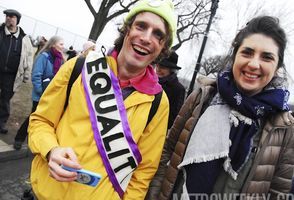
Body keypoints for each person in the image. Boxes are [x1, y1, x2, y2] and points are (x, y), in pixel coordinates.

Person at [28, 0, 177, 199]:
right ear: (127, 29)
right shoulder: (79, 67)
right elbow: (40, 121)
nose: (146, 38)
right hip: (46, 192)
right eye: (141, 26)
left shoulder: (158, 103)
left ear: (163, 47)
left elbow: (143, 173)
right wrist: (51, 150)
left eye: (158, 34)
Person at [147, 16, 294, 200]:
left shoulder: (284, 127)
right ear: (235, 56)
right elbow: (167, 153)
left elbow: (279, 191)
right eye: (247, 52)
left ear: (277, 66)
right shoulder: (202, 98)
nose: (254, 64)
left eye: (267, 57)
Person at [13, 35, 65, 150]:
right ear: (53, 44)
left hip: (51, 96)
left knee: (42, 121)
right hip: (40, 95)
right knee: (34, 117)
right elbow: (36, 75)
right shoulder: (44, 57)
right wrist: (41, 92)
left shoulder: (60, 59)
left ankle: (32, 142)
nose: (63, 46)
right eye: (61, 44)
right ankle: (19, 139)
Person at [0, 9, 34, 134]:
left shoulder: (24, 39)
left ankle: (1, 123)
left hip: (11, 75)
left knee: (5, 99)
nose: (9, 18)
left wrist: (26, 75)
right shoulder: (0, 32)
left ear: (17, 20)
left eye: (12, 17)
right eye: (7, 16)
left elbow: (29, 57)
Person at [155, 51, 185, 129]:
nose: (158, 69)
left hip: (157, 129)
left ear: (171, 70)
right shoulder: (149, 81)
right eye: (157, 65)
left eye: (163, 67)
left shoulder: (178, 89)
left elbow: (172, 117)